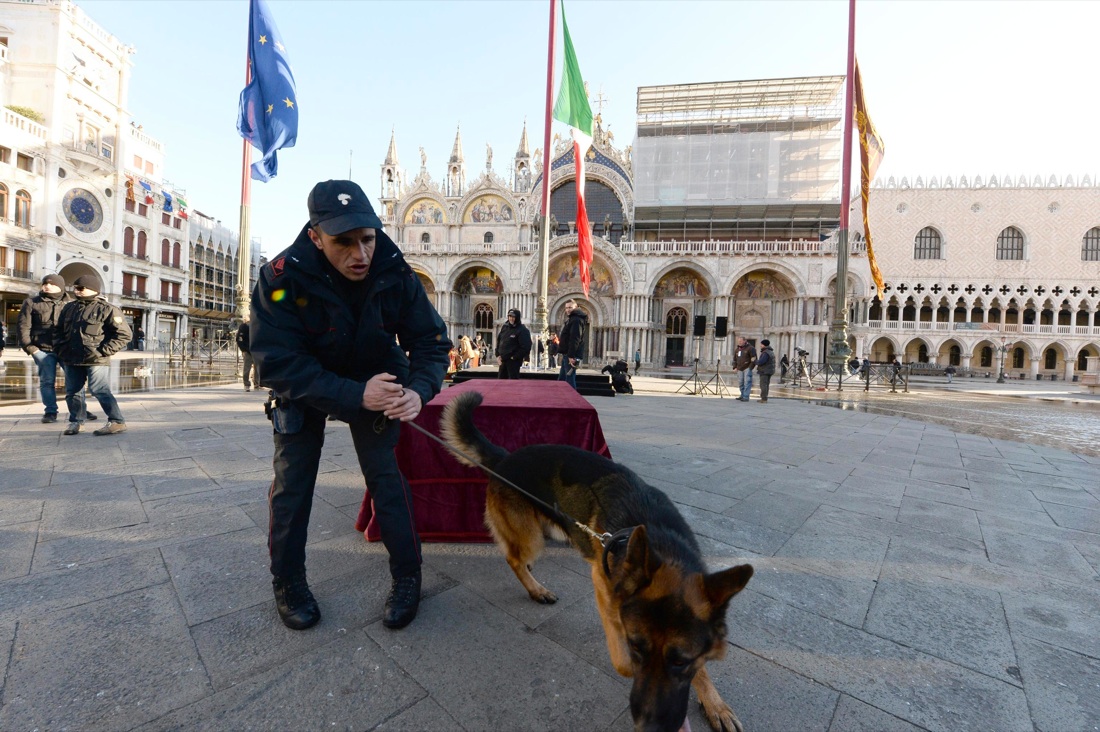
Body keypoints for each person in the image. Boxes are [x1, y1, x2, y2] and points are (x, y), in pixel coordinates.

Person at [251, 179, 451, 633]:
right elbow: (276, 361)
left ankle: (407, 577)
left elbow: (431, 342)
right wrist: (353, 394)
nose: (360, 253)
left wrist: (419, 390)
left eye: (367, 237)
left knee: (386, 478)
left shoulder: (393, 268)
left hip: (374, 377)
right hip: (305, 386)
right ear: (316, 237)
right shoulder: (281, 277)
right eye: (344, 242)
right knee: (292, 484)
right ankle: (288, 581)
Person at [55, 275, 131, 436]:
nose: (77, 291)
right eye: (75, 288)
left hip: (96, 359)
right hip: (71, 358)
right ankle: (76, 422)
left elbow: (124, 334)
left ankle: (117, 421)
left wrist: (104, 351)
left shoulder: (108, 309)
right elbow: (58, 331)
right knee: (73, 391)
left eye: (81, 288)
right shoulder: (69, 308)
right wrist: (61, 349)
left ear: (93, 289)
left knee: (99, 389)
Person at [18, 274, 71, 423]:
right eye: (45, 283)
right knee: (47, 382)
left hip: (64, 349)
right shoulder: (31, 302)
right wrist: (30, 348)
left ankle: (79, 409)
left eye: (51, 284)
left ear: (60, 286)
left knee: (74, 380)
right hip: (42, 349)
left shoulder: (70, 304)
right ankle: (50, 412)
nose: (47, 286)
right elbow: (23, 327)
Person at [557, 299, 588, 390]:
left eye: (570, 307)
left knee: (569, 378)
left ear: (576, 307)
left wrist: (571, 356)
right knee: (563, 378)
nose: (568, 310)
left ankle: (573, 399)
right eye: (566, 308)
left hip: (570, 355)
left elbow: (575, 339)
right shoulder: (573, 318)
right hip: (567, 353)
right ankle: (559, 396)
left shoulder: (576, 320)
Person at [495, 308, 531, 379]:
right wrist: (497, 355)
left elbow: (526, 347)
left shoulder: (522, 330)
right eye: (510, 316)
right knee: (501, 383)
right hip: (502, 361)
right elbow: (499, 341)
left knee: (512, 384)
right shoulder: (505, 327)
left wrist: (514, 357)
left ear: (517, 317)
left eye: (513, 317)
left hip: (513, 362)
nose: (511, 318)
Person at [733, 336, 756, 401]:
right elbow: (734, 359)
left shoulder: (751, 348)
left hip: (747, 368)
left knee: (747, 382)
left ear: (744, 341)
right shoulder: (737, 349)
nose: (739, 342)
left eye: (740, 341)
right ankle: (742, 395)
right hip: (739, 368)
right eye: (738, 341)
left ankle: (746, 397)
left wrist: (750, 368)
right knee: (741, 382)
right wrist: (735, 367)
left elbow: (753, 358)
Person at [236, 317, 256, 391]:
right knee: (247, 368)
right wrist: (243, 349)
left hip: (255, 350)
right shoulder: (244, 326)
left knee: (257, 368)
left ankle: (257, 383)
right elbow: (239, 339)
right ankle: (247, 384)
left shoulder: (257, 324)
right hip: (248, 350)